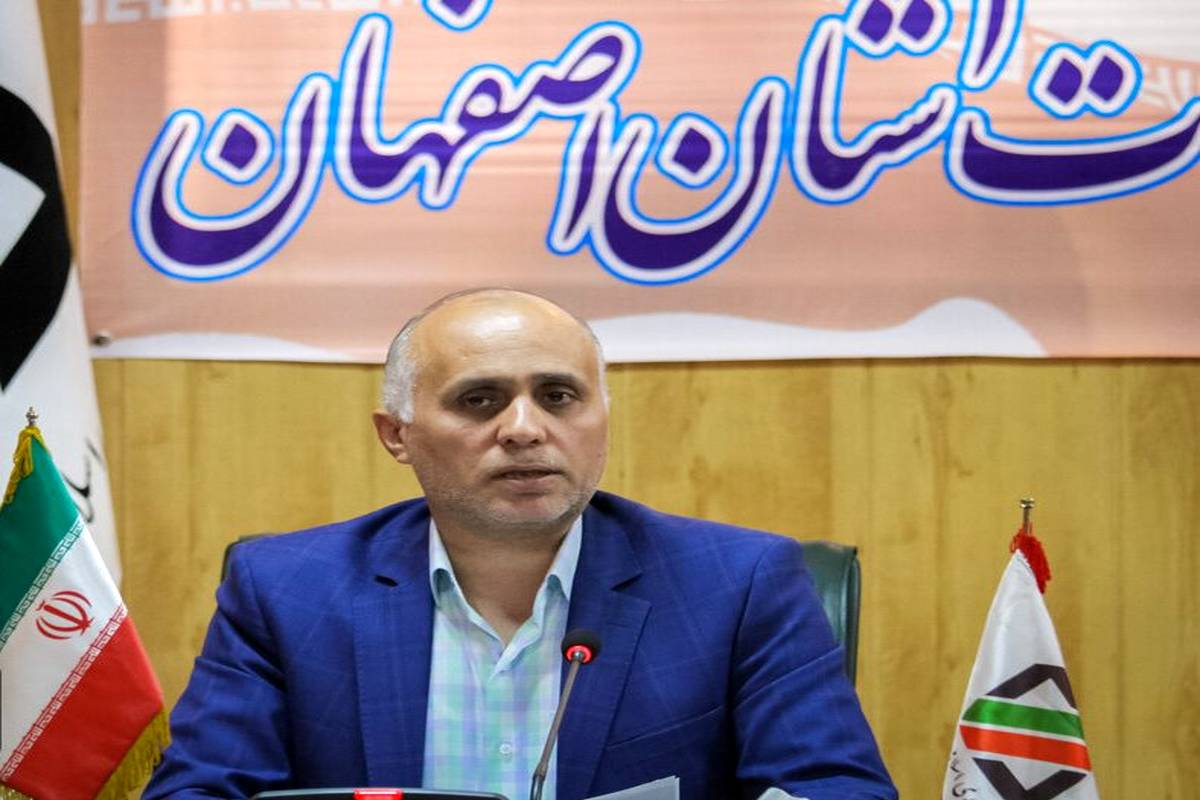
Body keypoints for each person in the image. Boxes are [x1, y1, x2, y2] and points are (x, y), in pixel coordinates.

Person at [144, 289, 897, 800]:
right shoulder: (284, 591)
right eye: (480, 400)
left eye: (559, 396)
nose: (526, 429)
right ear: (397, 435)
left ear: (602, 419)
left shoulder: (739, 584)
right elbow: (198, 790)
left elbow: (835, 788)